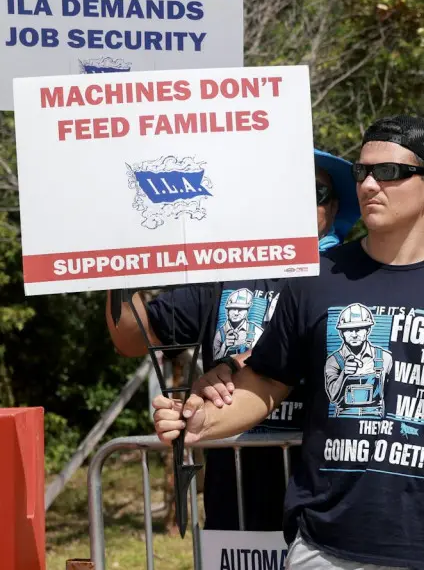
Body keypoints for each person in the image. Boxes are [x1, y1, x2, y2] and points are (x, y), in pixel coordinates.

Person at [153, 115, 424, 570]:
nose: (370, 184)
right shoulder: (317, 279)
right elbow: (263, 384)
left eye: (390, 172)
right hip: (323, 547)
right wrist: (195, 421)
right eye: (362, 172)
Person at [105, 148, 359, 531]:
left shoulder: (353, 276)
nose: (300, 199)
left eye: (316, 192)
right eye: (287, 187)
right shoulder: (227, 272)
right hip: (233, 506)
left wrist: (238, 365)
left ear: (334, 208)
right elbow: (131, 338)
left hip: (324, 504)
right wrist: (113, 262)